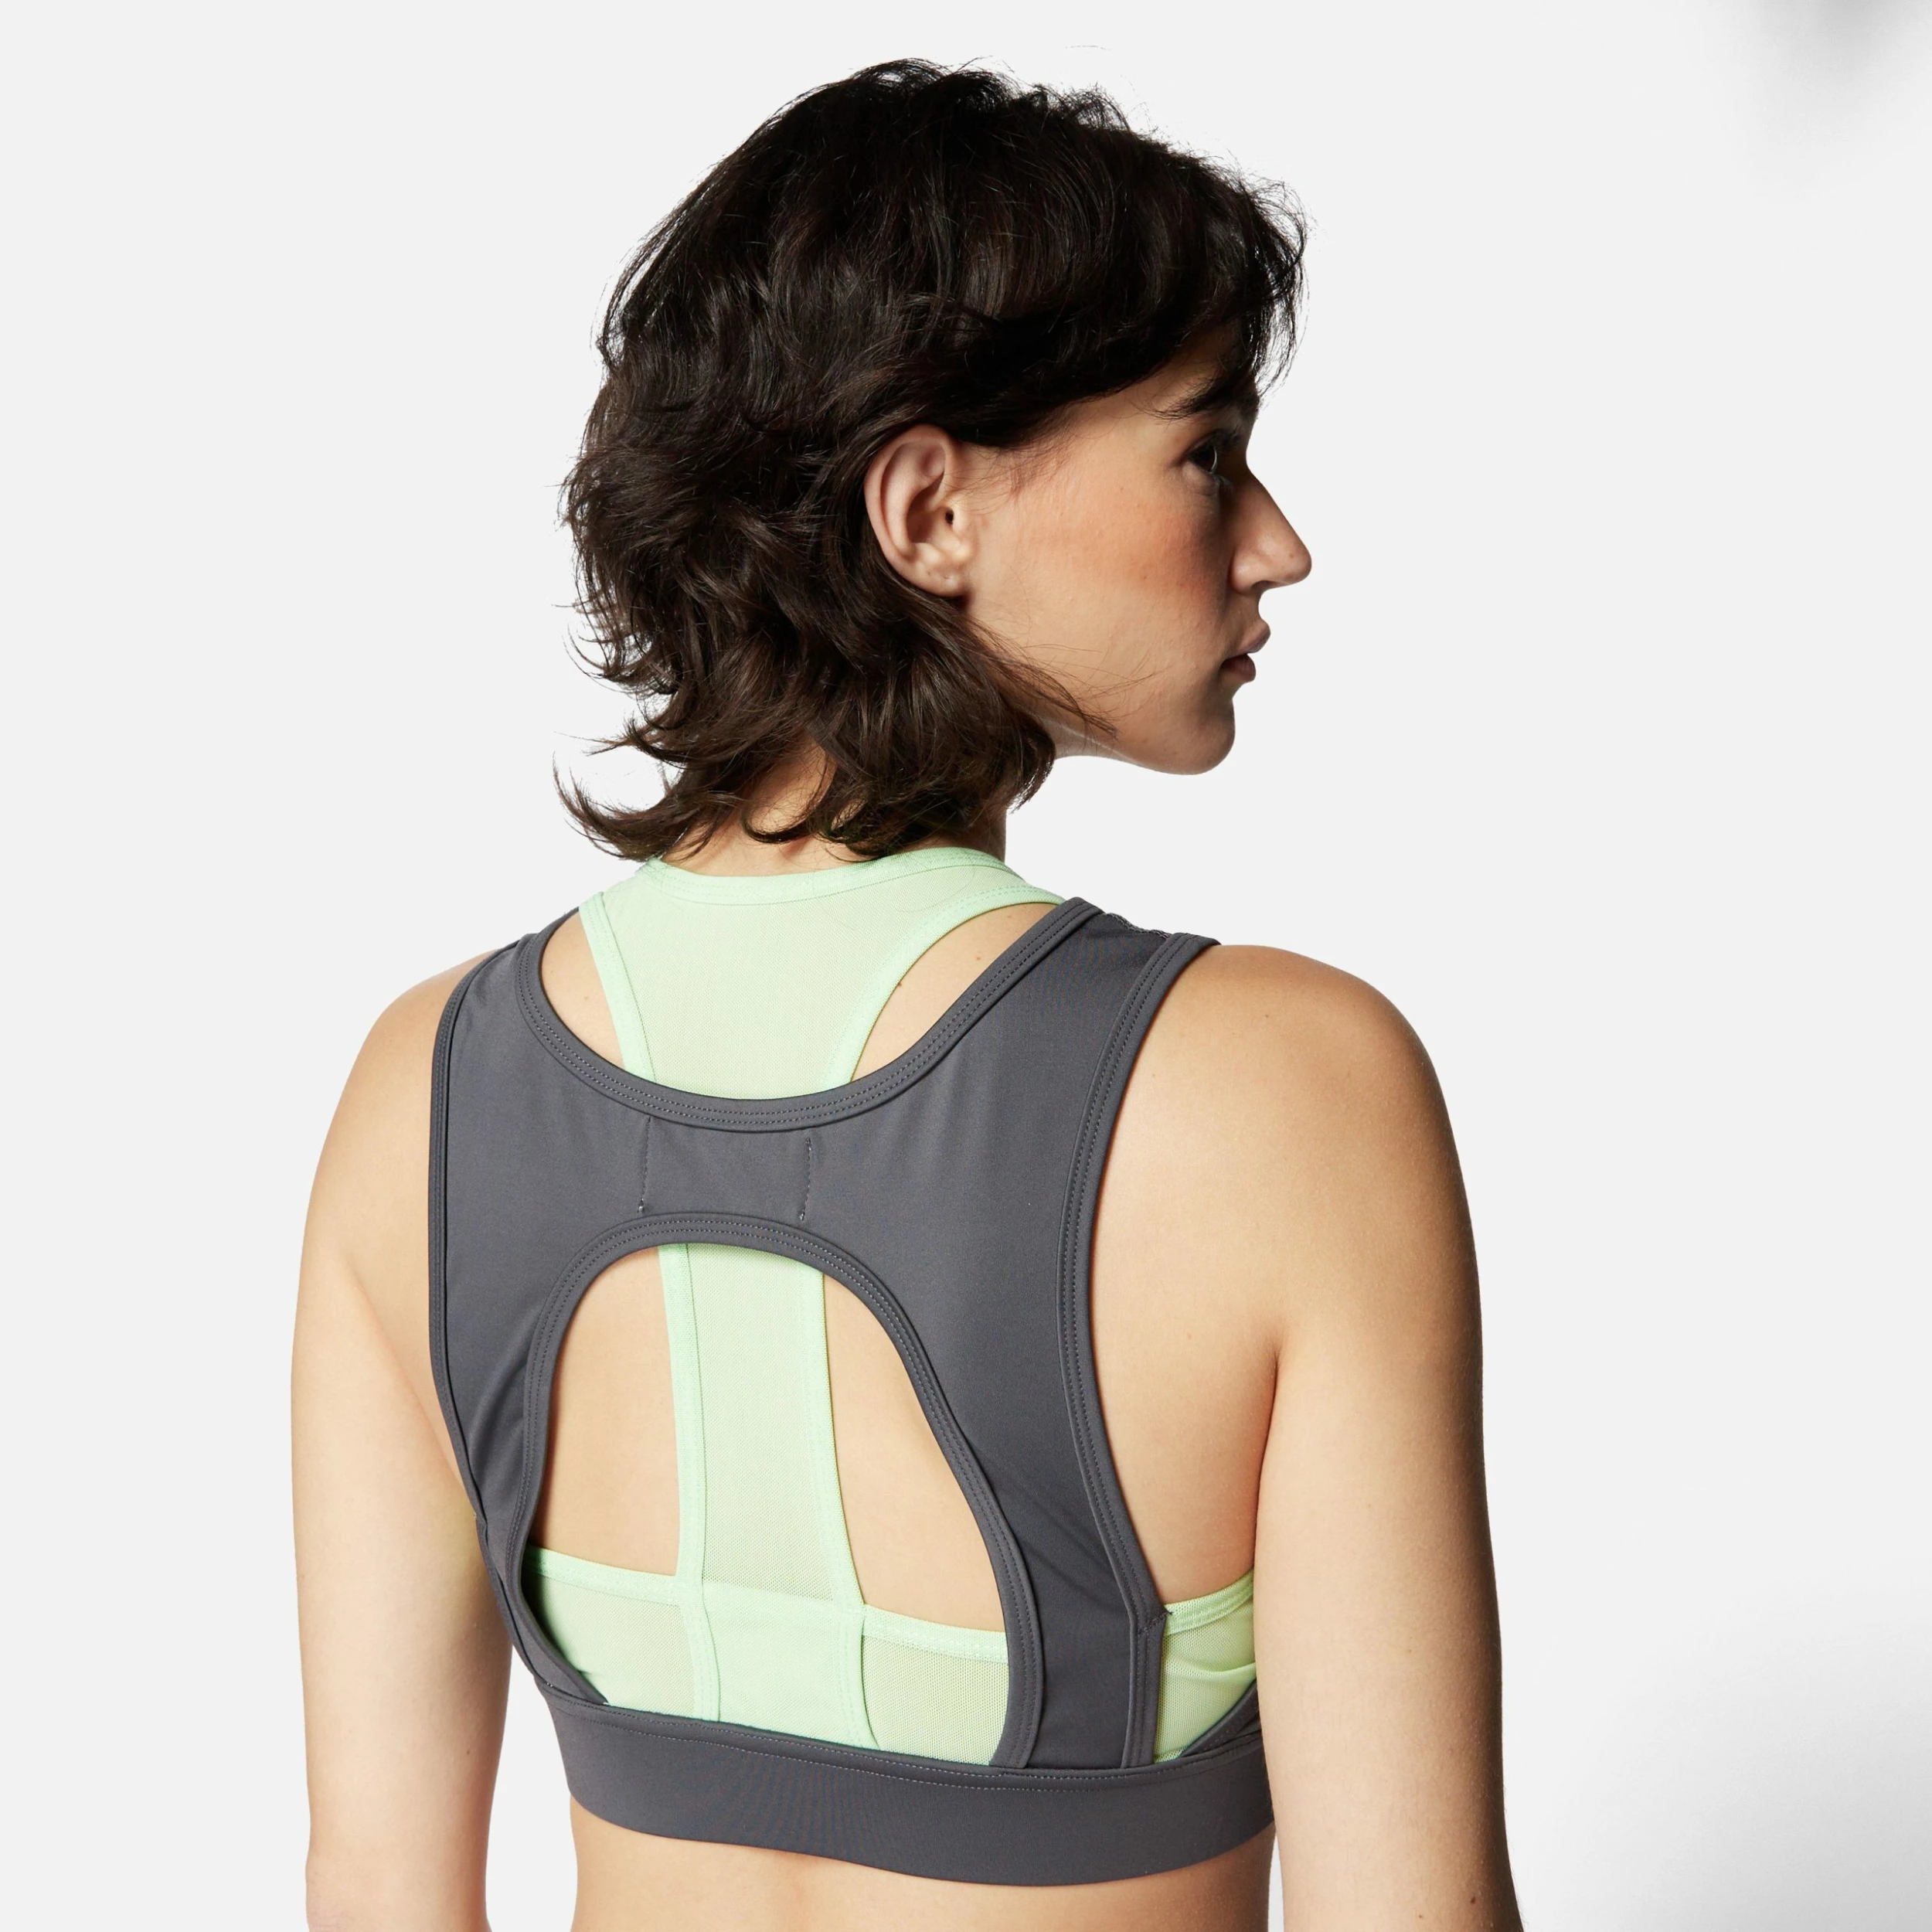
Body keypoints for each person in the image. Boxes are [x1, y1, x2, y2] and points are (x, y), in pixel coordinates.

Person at [294, 60, 1523, 1932]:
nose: (1273, 539)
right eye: (1205, 451)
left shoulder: (429, 1088)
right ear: (927, 508)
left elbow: (377, 1885)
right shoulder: (1282, 1086)